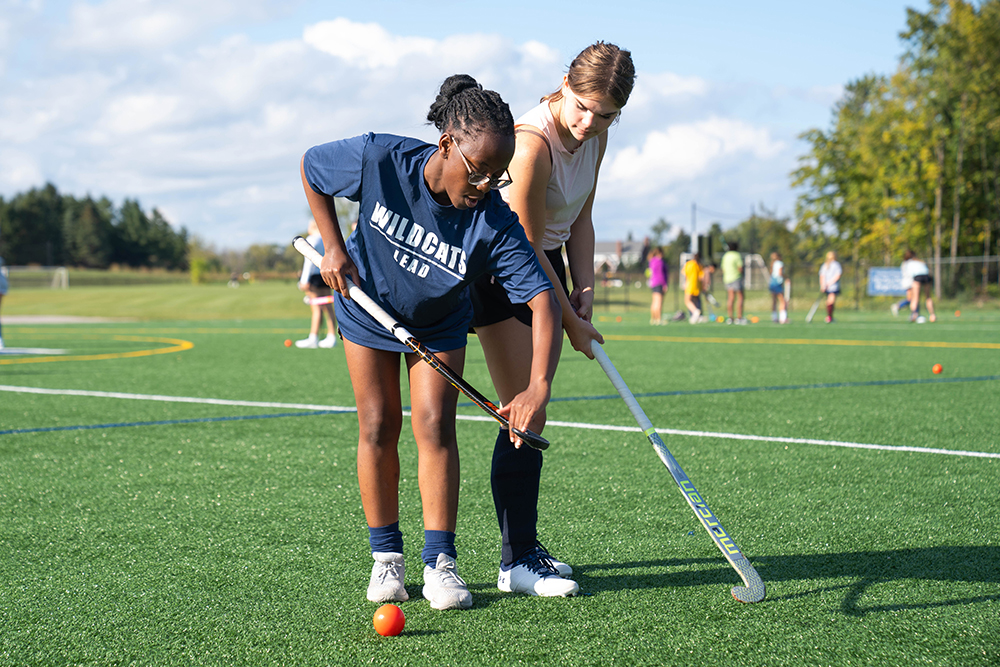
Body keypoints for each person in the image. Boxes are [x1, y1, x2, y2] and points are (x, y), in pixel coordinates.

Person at [300, 74, 562, 610]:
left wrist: (537, 386)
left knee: (436, 426)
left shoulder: (491, 219)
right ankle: (386, 561)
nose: (488, 184)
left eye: (498, 175)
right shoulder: (380, 160)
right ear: (447, 144)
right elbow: (312, 167)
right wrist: (332, 245)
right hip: (367, 308)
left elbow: (541, 300)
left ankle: (441, 562)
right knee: (377, 424)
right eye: (480, 170)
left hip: (439, 324)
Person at [470, 41, 635, 597]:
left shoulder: (598, 134)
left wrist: (584, 290)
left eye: (607, 114)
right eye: (584, 106)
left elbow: (582, 216)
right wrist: (569, 318)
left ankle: (523, 551)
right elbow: (528, 242)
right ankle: (516, 561)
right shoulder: (531, 144)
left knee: (533, 410)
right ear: (565, 84)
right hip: (502, 268)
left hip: (546, 265)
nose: (591, 122)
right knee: (522, 405)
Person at [295, 218, 338, 349]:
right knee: (328, 307)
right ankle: (331, 337)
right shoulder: (326, 239)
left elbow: (309, 261)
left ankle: (313, 337)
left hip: (314, 277)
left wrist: (303, 280)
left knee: (316, 308)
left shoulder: (312, 239)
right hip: (325, 275)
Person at [899, 249, 936, 323]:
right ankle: (932, 315)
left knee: (915, 298)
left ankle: (914, 315)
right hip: (926, 276)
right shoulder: (920, 261)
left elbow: (909, 275)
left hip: (917, 277)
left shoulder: (907, 263)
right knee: (928, 297)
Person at [720, 242, 745, 324]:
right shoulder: (737, 255)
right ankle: (739, 317)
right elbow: (740, 268)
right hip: (736, 278)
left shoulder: (725, 256)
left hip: (727, 279)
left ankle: (730, 318)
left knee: (730, 298)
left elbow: (723, 269)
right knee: (740, 297)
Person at [818, 251, 842, 324]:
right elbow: (838, 275)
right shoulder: (836, 264)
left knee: (829, 301)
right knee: (831, 301)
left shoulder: (824, 265)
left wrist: (823, 285)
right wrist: (827, 284)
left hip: (827, 286)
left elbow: (822, 276)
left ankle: (829, 317)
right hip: (833, 286)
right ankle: (829, 317)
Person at [647, 246, 668, 325]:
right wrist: (664, 284)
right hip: (659, 283)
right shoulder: (660, 262)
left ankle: (653, 319)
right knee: (659, 302)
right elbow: (661, 274)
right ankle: (658, 319)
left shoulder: (651, 261)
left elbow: (650, 273)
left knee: (654, 302)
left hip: (653, 283)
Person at [682, 252, 706, 323]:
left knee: (687, 301)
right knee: (695, 301)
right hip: (697, 286)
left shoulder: (689, 264)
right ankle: (696, 317)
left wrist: (685, 283)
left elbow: (685, 274)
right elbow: (701, 277)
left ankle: (695, 311)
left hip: (690, 285)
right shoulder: (699, 265)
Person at [769, 252, 788, 324]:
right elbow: (780, 273)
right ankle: (783, 318)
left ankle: (774, 317)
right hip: (778, 282)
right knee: (782, 300)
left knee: (774, 301)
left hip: (772, 282)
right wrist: (786, 277)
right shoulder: (780, 263)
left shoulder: (772, 264)